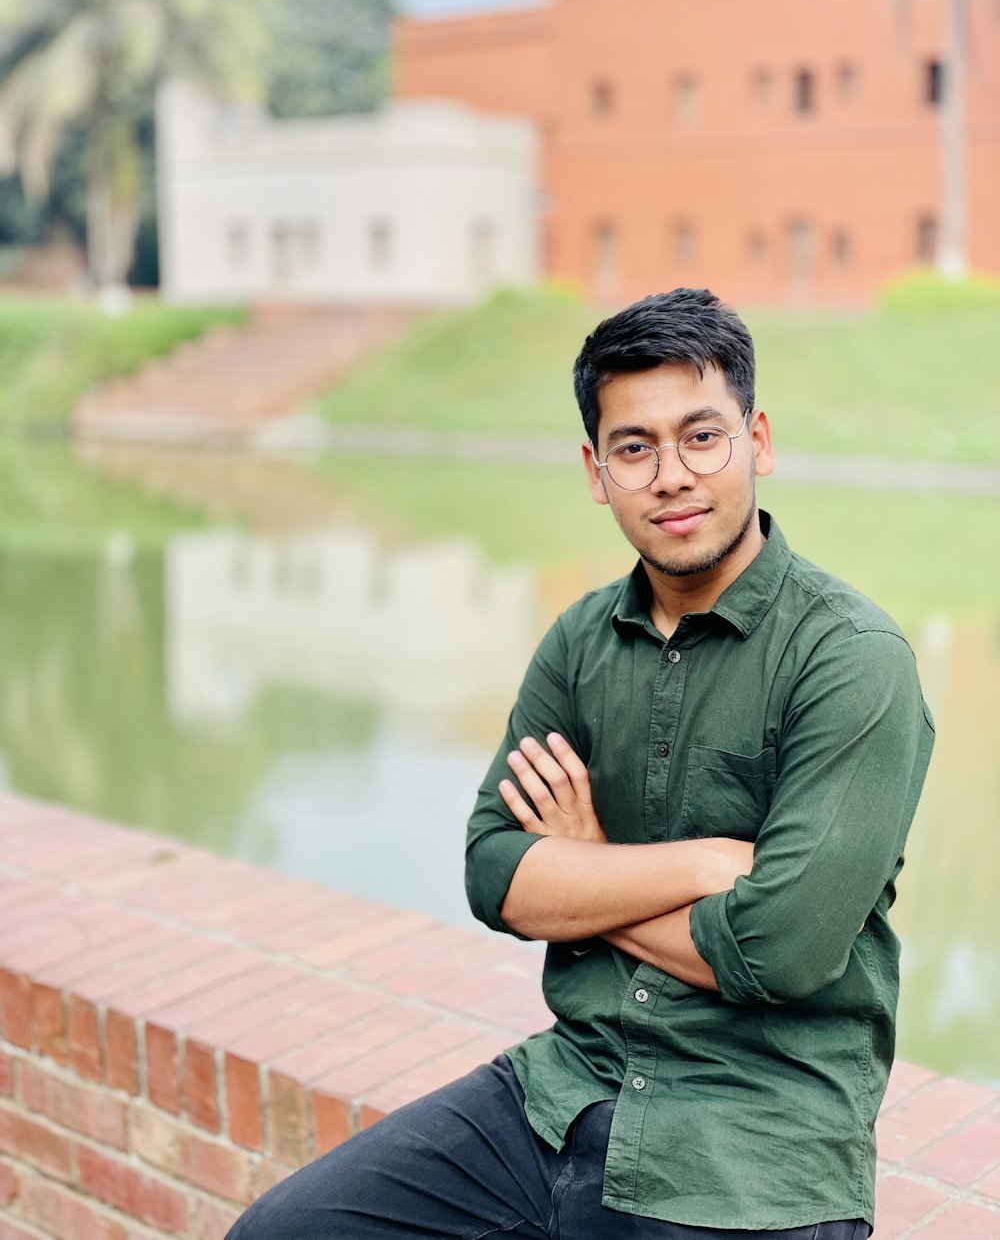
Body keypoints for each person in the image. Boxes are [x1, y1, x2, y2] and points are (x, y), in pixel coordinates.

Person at [228, 288, 934, 1238]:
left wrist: (586, 868)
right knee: (284, 1232)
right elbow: (493, 873)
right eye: (634, 447)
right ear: (597, 471)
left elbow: (781, 948)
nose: (672, 475)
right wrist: (700, 864)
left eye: (702, 436)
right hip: (566, 1089)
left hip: (755, 1137)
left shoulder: (851, 659)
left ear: (757, 442)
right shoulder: (579, 641)